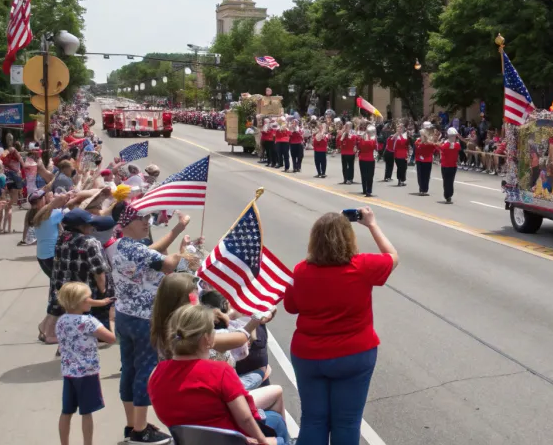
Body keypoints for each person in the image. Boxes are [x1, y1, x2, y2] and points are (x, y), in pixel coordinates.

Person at [284, 208, 398, 445]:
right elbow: (392, 256)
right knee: (347, 422)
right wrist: (372, 224)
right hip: (354, 354)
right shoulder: (363, 265)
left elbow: (291, 307)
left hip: (309, 355)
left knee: (313, 420)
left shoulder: (301, 271)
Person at [148, 305, 290, 445]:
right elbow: (245, 419)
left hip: (190, 440)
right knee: (277, 422)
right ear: (207, 338)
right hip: (230, 439)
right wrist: (263, 441)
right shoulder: (219, 371)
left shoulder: (156, 374)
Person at [111, 206, 192, 445]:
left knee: (129, 369)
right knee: (145, 371)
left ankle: (133, 423)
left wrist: (178, 231)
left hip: (125, 315)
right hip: (144, 318)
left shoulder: (121, 246)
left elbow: (154, 254)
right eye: (140, 219)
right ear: (126, 224)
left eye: (147, 218)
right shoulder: (137, 250)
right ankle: (140, 430)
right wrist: (184, 249)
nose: (146, 222)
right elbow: (169, 265)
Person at [55, 282, 116, 445]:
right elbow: (111, 338)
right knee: (86, 412)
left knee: (66, 411)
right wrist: (111, 320)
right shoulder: (88, 321)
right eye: (87, 298)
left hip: (69, 372)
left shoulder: (61, 321)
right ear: (80, 302)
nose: (90, 301)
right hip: (87, 372)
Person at [47, 209, 116, 332]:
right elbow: (98, 271)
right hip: (87, 292)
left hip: (68, 291)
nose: (92, 227)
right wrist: (104, 291)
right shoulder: (90, 242)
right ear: (80, 226)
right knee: (97, 328)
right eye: (90, 224)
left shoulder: (61, 239)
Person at [438, 128, 461, 204]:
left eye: (454, 136)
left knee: (451, 181)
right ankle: (447, 195)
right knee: (446, 181)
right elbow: (440, 147)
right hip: (445, 166)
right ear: (448, 136)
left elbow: (456, 147)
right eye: (451, 136)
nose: (453, 137)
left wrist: (442, 143)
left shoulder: (456, 144)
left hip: (453, 166)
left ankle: (449, 195)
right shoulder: (446, 144)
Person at [414, 127, 436, 196]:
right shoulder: (418, 141)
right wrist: (422, 142)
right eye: (420, 135)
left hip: (428, 160)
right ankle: (421, 189)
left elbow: (433, 149)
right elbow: (417, 148)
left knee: (426, 175)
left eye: (422, 135)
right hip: (419, 160)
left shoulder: (430, 142)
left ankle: (425, 189)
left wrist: (429, 141)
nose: (421, 136)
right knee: (420, 175)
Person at [357, 125, 377, 197]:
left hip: (365, 158)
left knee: (365, 175)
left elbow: (360, 147)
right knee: (368, 176)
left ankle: (365, 190)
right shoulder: (371, 139)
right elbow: (374, 147)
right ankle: (368, 190)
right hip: (368, 159)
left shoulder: (364, 138)